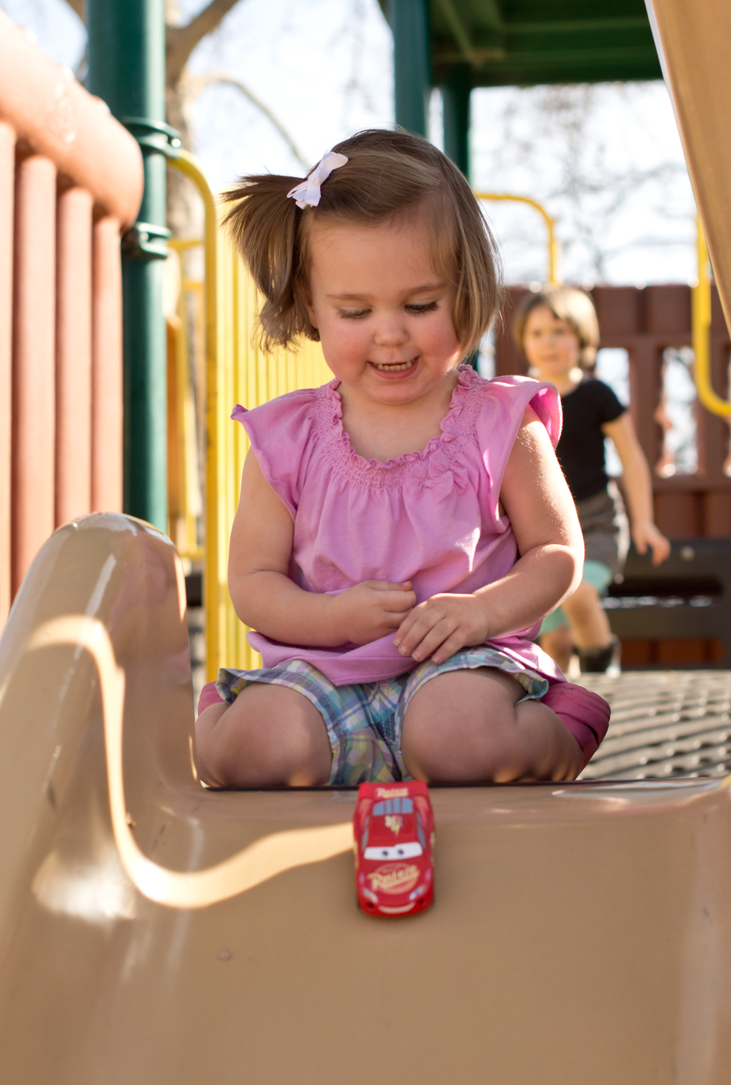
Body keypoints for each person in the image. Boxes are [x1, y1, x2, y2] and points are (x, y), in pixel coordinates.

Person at [195, 129, 610, 789]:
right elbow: (253, 582)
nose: (390, 333)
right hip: (323, 673)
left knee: (456, 740)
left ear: (467, 290)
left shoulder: (501, 423)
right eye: (355, 310)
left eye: (420, 305)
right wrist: (331, 617)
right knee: (256, 750)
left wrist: (481, 613)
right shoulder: (286, 438)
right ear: (311, 305)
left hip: (462, 665)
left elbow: (556, 553)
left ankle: (560, 728)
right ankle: (228, 722)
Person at [514, 286, 671, 675]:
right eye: (537, 333)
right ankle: (567, 701)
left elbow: (631, 458)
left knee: (579, 595)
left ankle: (605, 679)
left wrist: (644, 522)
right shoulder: (520, 398)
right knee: (555, 639)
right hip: (543, 531)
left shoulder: (596, 394)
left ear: (582, 338)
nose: (548, 343)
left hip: (596, 523)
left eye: (559, 332)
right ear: (524, 341)